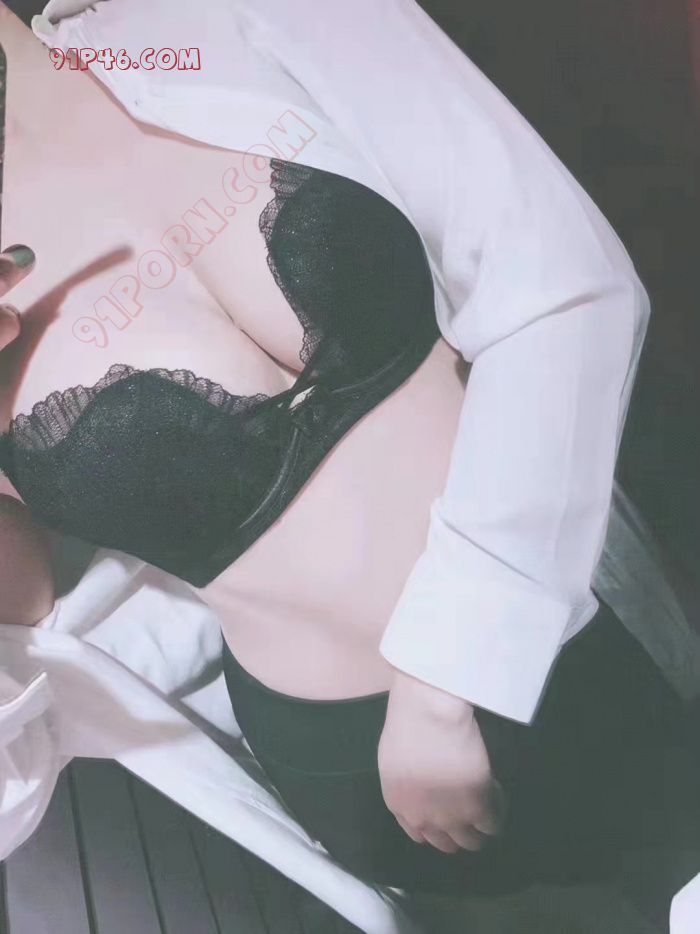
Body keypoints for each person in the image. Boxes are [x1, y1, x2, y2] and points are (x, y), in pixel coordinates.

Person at [0, 1, 696, 922]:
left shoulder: (203, 17)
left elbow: (561, 275)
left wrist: (449, 673)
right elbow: (24, 601)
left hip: (583, 621)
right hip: (352, 771)